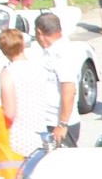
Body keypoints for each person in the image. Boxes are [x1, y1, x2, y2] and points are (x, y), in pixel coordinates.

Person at [0, 28, 52, 157]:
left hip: (18, 137)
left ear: (3, 51)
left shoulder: (8, 73)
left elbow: (9, 113)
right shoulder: (39, 67)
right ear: (23, 45)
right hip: (40, 133)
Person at [33, 11, 77, 146]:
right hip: (51, 121)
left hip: (59, 123)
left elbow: (69, 88)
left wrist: (62, 124)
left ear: (39, 32)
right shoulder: (53, 50)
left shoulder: (60, 52)